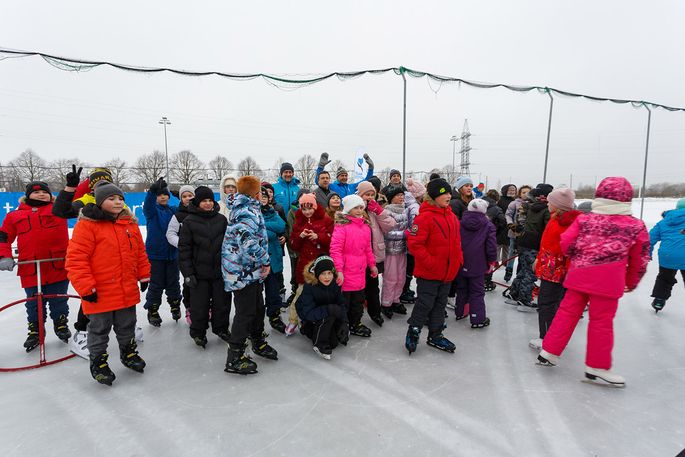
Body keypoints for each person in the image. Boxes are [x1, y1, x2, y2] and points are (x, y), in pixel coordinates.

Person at [537, 177, 650, 387]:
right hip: (608, 283)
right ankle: (597, 367)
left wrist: (579, 256)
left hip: (579, 276)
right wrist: (632, 281)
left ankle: (549, 351)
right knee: (601, 323)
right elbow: (640, 258)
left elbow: (566, 243)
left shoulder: (585, 220)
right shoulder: (635, 226)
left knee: (566, 314)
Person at [65, 182, 151, 386]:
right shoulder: (87, 225)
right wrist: (86, 288)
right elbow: (76, 259)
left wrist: (144, 274)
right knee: (99, 329)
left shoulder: (129, 224)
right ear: (100, 201)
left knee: (127, 325)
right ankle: (98, 362)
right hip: (99, 290)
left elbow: (139, 253)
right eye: (111, 199)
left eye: (120, 198)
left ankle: (128, 353)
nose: (117, 202)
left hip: (126, 287)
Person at [52, 165, 130, 358]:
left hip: (117, 261)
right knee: (92, 298)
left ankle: (125, 331)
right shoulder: (86, 201)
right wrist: (70, 188)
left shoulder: (121, 203)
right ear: (91, 186)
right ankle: (83, 332)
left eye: (106, 180)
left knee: (119, 296)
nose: (102, 184)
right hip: (95, 261)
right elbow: (60, 211)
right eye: (96, 182)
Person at [0, 181, 71, 352]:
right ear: (27, 195)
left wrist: (75, 185)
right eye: (37, 192)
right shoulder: (14, 216)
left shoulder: (59, 210)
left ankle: (60, 323)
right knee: (33, 303)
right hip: (30, 267)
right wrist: (4, 256)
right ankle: (36, 330)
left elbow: (74, 198)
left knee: (59, 299)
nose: (41, 195)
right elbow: (3, 237)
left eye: (45, 192)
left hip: (57, 266)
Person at [222, 176, 277, 375]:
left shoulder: (249, 207)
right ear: (255, 193)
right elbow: (248, 244)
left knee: (257, 308)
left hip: (249, 270)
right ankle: (234, 356)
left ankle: (257, 341)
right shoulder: (245, 212)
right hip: (241, 271)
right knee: (245, 312)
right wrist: (265, 261)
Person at [405, 178, 463, 354]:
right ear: (433, 196)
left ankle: (436, 334)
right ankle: (414, 331)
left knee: (440, 304)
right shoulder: (424, 218)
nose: (448, 196)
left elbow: (457, 243)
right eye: (443, 193)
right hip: (429, 273)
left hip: (448, 272)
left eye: (448, 193)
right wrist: (431, 262)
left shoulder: (452, 217)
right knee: (425, 303)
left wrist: (458, 260)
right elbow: (414, 244)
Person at [178, 186, 231, 348]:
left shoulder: (221, 220)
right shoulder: (189, 221)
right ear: (197, 202)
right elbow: (184, 250)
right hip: (198, 274)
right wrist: (188, 273)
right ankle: (198, 332)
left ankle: (221, 328)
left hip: (219, 272)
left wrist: (229, 269)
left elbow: (229, 246)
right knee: (199, 306)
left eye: (210, 200)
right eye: (204, 201)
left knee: (221, 303)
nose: (207, 204)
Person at [528, 188, 581, 349]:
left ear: (558, 205)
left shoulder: (565, 222)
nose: (548, 203)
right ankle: (552, 336)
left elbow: (567, 248)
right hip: (550, 266)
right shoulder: (555, 218)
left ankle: (547, 338)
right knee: (551, 303)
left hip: (555, 270)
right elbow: (547, 244)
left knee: (546, 303)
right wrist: (539, 259)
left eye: (550, 202)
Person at [329, 194, 378, 338]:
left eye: (361, 207)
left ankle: (355, 323)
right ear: (348, 209)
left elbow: (368, 248)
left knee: (358, 301)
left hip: (360, 271)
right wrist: (339, 270)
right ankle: (342, 324)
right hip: (346, 271)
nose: (359, 210)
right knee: (345, 302)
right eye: (356, 207)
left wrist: (372, 265)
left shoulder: (365, 227)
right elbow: (335, 250)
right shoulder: (341, 227)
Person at [288, 193, 334, 335]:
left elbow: (332, 240)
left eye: (310, 208)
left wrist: (318, 237)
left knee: (321, 296)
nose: (307, 211)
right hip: (305, 266)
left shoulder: (326, 219)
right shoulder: (298, 222)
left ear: (315, 207)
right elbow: (293, 245)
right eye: (304, 208)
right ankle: (293, 321)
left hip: (321, 264)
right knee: (300, 294)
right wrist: (300, 236)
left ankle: (317, 321)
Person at [504, 184, 553, 311]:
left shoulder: (531, 206)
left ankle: (514, 294)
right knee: (531, 273)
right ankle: (524, 299)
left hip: (524, 241)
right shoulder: (546, 210)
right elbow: (548, 230)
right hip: (534, 243)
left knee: (524, 270)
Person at [142, 177, 181, 326]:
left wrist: (180, 195)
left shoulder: (173, 210)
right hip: (155, 255)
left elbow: (187, 208)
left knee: (173, 283)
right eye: (160, 195)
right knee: (156, 284)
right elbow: (148, 205)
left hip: (173, 254)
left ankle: (175, 304)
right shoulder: (152, 212)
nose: (163, 197)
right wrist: (152, 191)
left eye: (165, 194)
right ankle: (153, 310)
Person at [356, 181, 395, 327]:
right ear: (360, 195)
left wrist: (379, 211)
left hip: (374, 255)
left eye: (372, 194)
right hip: (358, 257)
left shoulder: (376, 210)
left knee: (373, 287)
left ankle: (375, 313)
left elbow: (390, 225)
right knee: (358, 288)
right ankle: (355, 316)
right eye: (367, 194)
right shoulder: (354, 209)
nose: (370, 197)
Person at [454, 199, 497, 328]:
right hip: (478, 264)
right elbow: (491, 246)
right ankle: (477, 318)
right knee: (477, 291)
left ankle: (460, 312)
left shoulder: (460, 223)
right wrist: (491, 261)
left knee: (462, 289)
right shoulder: (488, 225)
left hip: (461, 262)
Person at [296, 256, 349, 360]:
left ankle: (329, 330)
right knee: (329, 314)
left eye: (329, 273)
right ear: (316, 274)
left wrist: (344, 322)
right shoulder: (310, 287)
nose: (327, 277)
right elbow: (308, 313)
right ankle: (319, 344)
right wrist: (329, 309)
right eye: (323, 274)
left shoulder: (334, 284)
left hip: (325, 315)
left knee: (334, 343)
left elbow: (341, 304)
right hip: (309, 320)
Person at [648, 197, 685, 312]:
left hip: (667, 256)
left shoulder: (664, 222)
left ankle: (659, 301)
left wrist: (647, 253)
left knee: (664, 278)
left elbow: (649, 239)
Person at [165, 185, 194, 323]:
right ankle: (189, 308)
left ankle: (206, 307)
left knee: (205, 283)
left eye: (190, 195)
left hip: (204, 255)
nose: (188, 198)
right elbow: (170, 234)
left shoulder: (202, 211)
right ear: (181, 199)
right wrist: (182, 245)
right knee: (189, 283)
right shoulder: (178, 215)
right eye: (184, 196)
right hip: (186, 257)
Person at [380, 185, 410, 319]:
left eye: (402, 195)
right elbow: (387, 233)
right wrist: (406, 234)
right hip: (390, 250)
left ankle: (396, 300)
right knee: (391, 277)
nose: (401, 197)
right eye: (398, 195)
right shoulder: (386, 212)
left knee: (401, 277)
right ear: (391, 198)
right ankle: (386, 303)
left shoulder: (405, 211)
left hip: (402, 250)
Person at [261, 188, 288, 333]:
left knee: (273, 291)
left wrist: (264, 226)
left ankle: (274, 316)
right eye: (260, 196)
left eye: (265, 196)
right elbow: (257, 232)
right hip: (258, 261)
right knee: (256, 294)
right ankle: (256, 319)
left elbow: (281, 225)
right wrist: (271, 232)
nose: (263, 198)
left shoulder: (272, 211)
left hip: (273, 259)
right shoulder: (251, 212)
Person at [447, 176, 474, 307]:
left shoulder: (471, 201)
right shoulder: (455, 203)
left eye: (470, 185)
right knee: (455, 270)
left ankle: (457, 294)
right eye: (466, 185)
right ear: (459, 188)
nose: (469, 188)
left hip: (468, 242)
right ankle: (450, 295)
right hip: (458, 241)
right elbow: (455, 223)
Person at [400, 177, 426, 305]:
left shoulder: (410, 205)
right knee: (409, 268)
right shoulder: (415, 208)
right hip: (411, 243)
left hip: (408, 242)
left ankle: (405, 289)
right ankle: (404, 291)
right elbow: (414, 226)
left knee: (408, 268)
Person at [504, 185, 532, 282]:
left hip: (526, 235)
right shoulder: (514, 203)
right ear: (519, 193)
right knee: (512, 252)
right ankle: (509, 270)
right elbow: (508, 215)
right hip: (514, 232)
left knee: (523, 255)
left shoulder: (532, 204)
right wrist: (511, 224)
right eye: (523, 192)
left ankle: (519, 275)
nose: (525, 194)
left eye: (528, 192)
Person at [482, 189, 507, 291]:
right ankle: (487, 282)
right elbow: (503, 221)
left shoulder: (479, 204)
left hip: (477, 237)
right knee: (489, 259)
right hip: (490, 236)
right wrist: (496, 230)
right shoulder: (497, 209)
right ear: (497, 199)